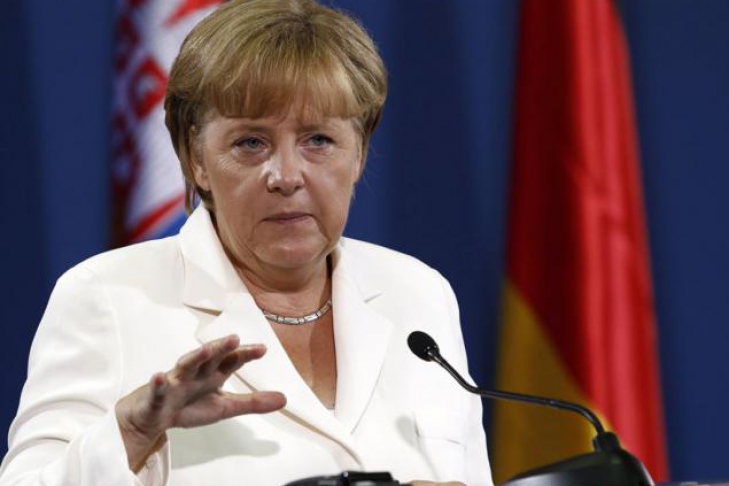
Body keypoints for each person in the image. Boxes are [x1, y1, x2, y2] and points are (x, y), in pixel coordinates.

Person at [0, 1, 492, 485]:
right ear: (196, 159)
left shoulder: (417, 294)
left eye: (318, 140)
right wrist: (129, 434)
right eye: (250, 143)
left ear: (359, 152)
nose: (286, 176)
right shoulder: (106, 297)